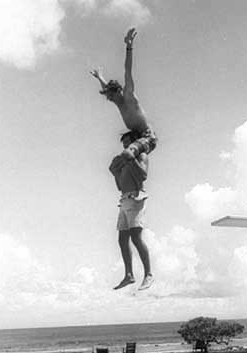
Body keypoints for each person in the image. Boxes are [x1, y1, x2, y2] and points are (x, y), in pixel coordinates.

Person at [91, 27, 157, 200]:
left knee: (128, 153)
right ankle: (126, 191)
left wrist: (129, 47)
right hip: (136, 138)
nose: (111, 100)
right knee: (115, 166)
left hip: (148, 137)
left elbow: (128, 71)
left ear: (118, 91)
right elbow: (107, 89)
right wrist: (100, 78)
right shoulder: (116, 99)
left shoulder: (128, 95)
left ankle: (140, 191)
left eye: (111, 96)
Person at [110, 131, 153, 291]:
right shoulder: (125, 161)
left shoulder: (141, 156)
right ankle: (129, 275)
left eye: (128, 143)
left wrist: (131, 160)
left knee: (135, 237)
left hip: (136, 198)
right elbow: (120, 186)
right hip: (124, 199)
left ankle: (148, 274)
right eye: (124, 145)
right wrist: (115, 172)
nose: (126, 147)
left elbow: (142, 176)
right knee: (122, 239)